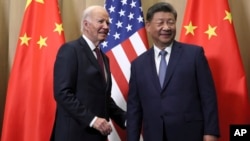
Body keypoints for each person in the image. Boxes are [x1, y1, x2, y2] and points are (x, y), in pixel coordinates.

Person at [127, 2, 220, 141]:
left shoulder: (194, 55)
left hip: (189, 134)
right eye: (160, 23)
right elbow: (134, 109)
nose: (166, 27)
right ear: (148, 26)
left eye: (170, 22)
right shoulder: (138, 65)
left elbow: (208, 97)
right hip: (154, 135)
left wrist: (211, 133)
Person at [51, 5, 126, 141]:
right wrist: (92, 120)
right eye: (101, 21)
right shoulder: (70, 50)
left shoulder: (104, 58)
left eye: (108, 23)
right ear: (86, 24)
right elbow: (62, 93)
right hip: (74, 135)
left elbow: (103, 98)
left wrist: (126, 119)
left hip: (98, 136)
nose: (106, 26)